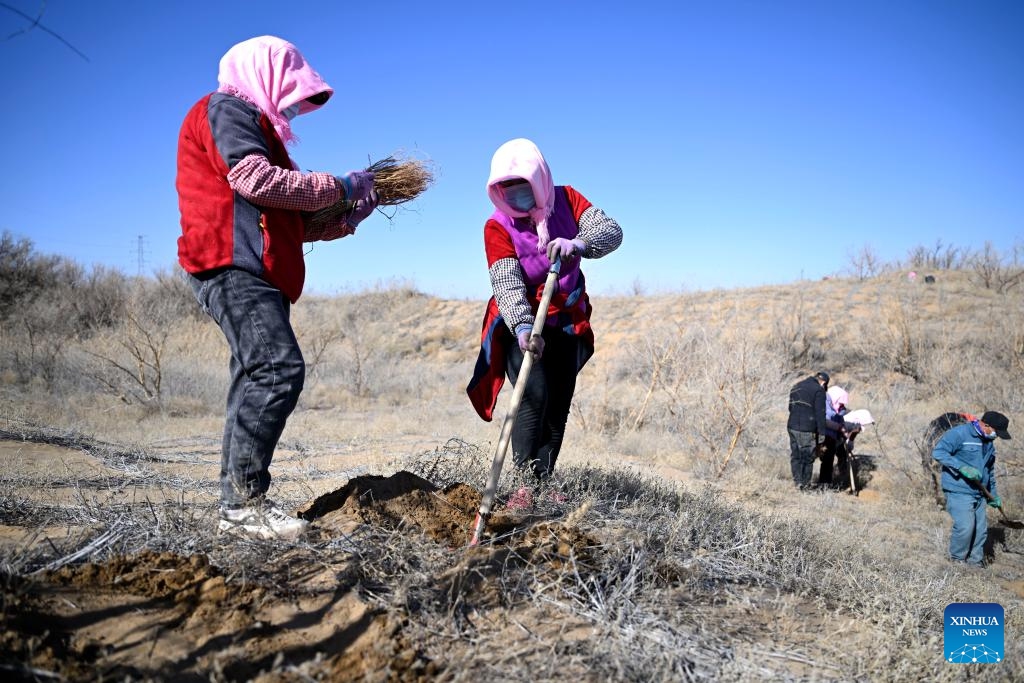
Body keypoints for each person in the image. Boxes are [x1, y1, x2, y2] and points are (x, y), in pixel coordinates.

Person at [176, 36, 379, 540]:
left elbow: (287, 221)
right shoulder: (226, 108)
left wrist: (347, 219)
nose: (292, 105)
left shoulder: (260, 128)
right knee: (277, 369)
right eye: (289, 91)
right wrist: (339, 186)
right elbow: (254, 181)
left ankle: (238, 506)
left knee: (253, 376)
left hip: (256, 270)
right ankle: (244, 507)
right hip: (233, 265)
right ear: (264, 74)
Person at [466, 139, 623, 506]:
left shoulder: (567, 199)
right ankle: (523, 486)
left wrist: (578, 243)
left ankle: (543, 481)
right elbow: (505, 280)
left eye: (524, 189)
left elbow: (612, 232)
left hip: (567, 318)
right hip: (524, 318)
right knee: (532, 397)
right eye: (509, 192)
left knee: (558, 400)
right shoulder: (497, 225)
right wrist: (522, 327)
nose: (517, 199)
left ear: (539, 182)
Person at [932, 410, 1011, 567]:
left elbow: (990, 471)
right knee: (965, 527)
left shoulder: (988, 442)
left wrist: (993, 495)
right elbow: (938, 452)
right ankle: (958, 561)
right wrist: (960, 467)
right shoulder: (959, 434)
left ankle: (975, 562)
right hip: (958, 489)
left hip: (980, 492)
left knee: (980, 530)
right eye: (996, 431)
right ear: (985, 425)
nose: (997, 436)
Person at [786, 371, 844, 489]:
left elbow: (790, 407)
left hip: (791, 426)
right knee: (807, 457)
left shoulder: (796, 386)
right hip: (806, 428)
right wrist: (822, 435)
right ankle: (805, 485)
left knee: (796, 455)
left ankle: (797, 482)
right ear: (823, 383)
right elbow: (820, 414)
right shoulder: (819, 390)